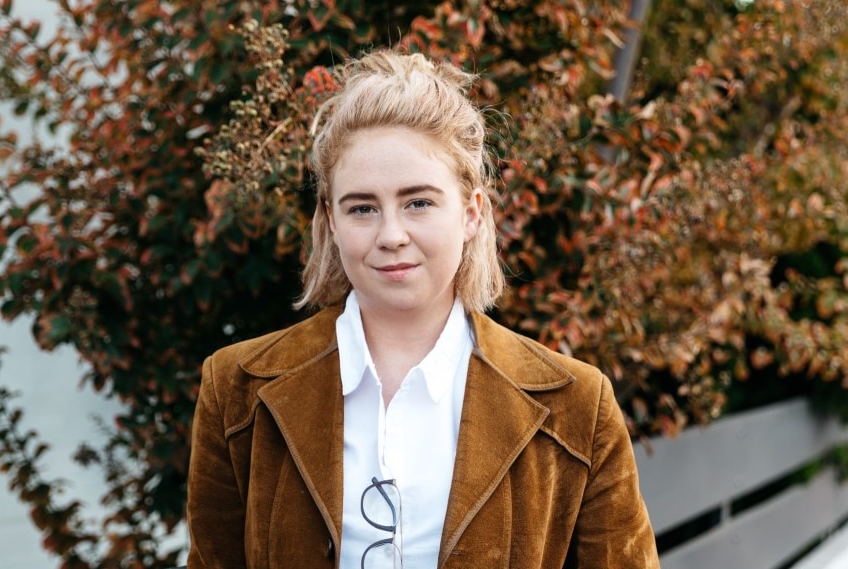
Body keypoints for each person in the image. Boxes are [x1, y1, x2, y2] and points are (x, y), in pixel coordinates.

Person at [186, 49, 660, 569]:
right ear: (330, 219)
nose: (391, 236)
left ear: (472, 212)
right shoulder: (235, 390)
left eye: (419, 202)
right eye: (362, 207)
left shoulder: (578, 408)